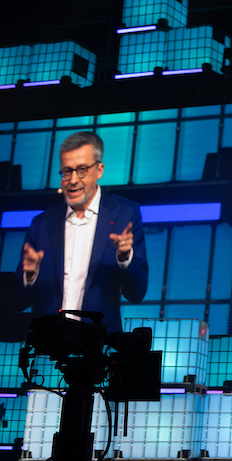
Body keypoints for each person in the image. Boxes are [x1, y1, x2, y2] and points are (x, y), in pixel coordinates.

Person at [17, 131, 148, 332]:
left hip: (98, 346)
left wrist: (125, 258)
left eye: (82, 169)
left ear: (99, 170)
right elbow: (19, 301)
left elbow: (137, 293)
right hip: (47, 345)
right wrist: (29, 276)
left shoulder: (125, 214)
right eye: (66, 171)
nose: (73, 180)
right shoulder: (41, 224)